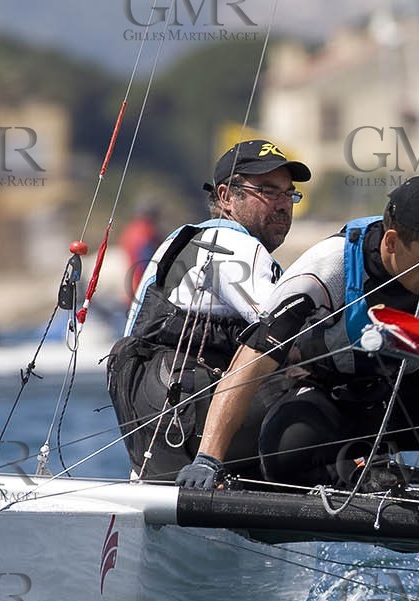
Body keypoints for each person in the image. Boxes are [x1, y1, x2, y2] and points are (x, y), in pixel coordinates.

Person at [177, 175, 419, 490]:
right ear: (391, 242)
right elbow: (253, 360)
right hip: (334, 396)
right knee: (284, 452)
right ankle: (360, 474)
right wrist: (209, 459)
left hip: (407, 401)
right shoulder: (328, 265)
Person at [107, 139, 310, 479]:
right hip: (186, 425)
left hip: (153, 434)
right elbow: (290, 330)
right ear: (227, 196)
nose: (282, 205)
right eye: (267, 191)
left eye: (289, 194)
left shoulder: (182, 239)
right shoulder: (234, 245)